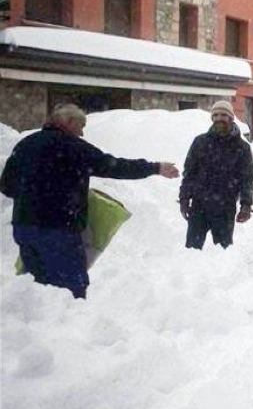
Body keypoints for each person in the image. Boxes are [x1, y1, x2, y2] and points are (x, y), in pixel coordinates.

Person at [0, 104, 179, 299]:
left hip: (24, 226)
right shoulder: (73, 147)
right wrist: (155, 168)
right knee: (70, 288)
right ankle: (70, 323)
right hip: (59, 227)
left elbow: (7, 186)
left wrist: (32, 196)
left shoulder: (26, 144)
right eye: (81, 125)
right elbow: (115, 167)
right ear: (68, 122)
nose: (82, 132)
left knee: (35, 285)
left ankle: (36, 325)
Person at [179, 101, 253, 250]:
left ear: (231, 118)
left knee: (223, 253)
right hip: (199, 206)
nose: (219, 118)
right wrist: (184, 199)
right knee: (191, 253)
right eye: (215, 115)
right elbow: (189, 174)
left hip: (225, 208)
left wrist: (246, 205)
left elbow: (247, 179)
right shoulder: (200, 142)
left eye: (223, 115)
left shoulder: (242, 148)